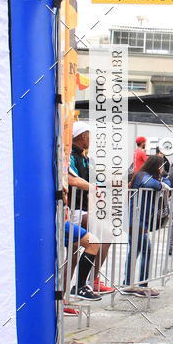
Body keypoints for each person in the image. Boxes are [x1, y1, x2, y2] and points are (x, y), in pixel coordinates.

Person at [68, 121, 114, 295]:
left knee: (102, 239)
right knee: (73, 256)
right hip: (72, 209)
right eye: (89, 135)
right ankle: (78, 288)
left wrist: (111, 183)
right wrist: (94, 187)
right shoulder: (71, 156)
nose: (91, 139)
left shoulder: (87, 158)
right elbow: (73, 180)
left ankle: (88, 282)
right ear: (82, 136)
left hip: (84, 208)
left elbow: (96, 180)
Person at [125, 154, 170, 297]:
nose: (162, 169)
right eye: (161, 166)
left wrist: (163, 180)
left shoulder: (149, 176)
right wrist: (161, 184)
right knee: (146, 250)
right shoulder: (142, 176)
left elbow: (169, 182)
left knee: (135, 252)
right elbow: (151, 184)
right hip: (135, 220)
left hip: (139, 220)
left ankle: (128, 284)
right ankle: (142, 286)